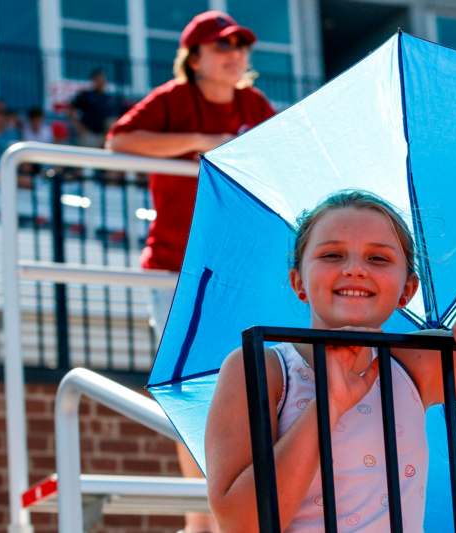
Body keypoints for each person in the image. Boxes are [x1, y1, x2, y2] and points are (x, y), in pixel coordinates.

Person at [205, 190, 456, 532]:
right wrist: (329, 406)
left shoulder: (413, 362)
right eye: (332, 254)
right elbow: (242, 524)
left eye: (378, 258)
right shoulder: (261, 367)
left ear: (407, 290)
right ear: (299, 282)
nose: (355, 268)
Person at [106, 10, 275, 533]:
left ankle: (223, 514)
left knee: (245, 393)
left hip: (239, 272)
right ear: (194, 58)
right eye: (222, 46)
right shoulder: (172, 100)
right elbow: (119, 142)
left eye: (241, 46)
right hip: (175, 271)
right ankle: (200, 520)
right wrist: (197, 141)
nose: (235, 55)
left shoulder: (256, 105)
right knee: (188, 390)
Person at [70, 68, 120, 148]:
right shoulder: (86, 95)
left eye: (103, 79)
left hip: (105, 137)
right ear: (94, 80)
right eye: (98, 79)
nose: (101, 81)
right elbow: (71, 110)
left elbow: (115, 119)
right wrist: (80, 128)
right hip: (89, 135)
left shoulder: (110, 98)